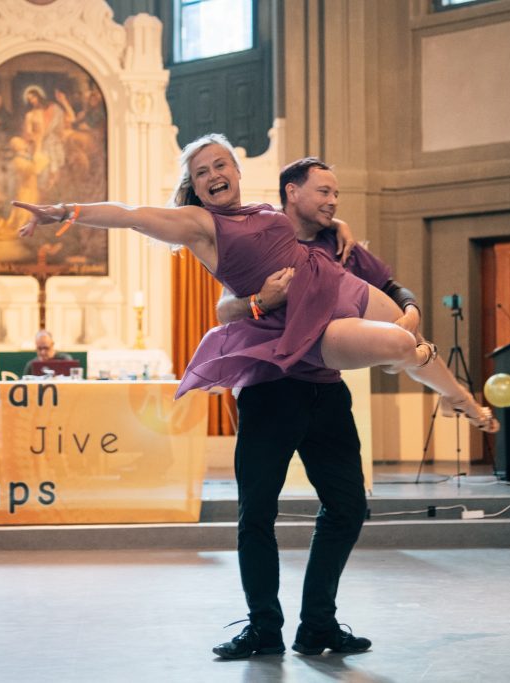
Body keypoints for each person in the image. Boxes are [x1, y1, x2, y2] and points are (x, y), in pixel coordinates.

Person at [202, 158, 493, 659]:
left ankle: (317, 624)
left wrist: (410, 312)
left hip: (326, 393)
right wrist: (260, 300)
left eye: (335, 193)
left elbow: (393, 288)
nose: (333, 201)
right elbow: (225, 307)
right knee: (256, 513)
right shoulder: (263, 235)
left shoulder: (342, 245)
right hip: (270, 392)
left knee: (348, 507)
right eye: (324, 192)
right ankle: (264, 628)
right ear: (292, 192)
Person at [13, 133, 495, 422]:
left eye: (220, 165)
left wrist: (339, 223)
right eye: (202, 173)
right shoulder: (201, 225)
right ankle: (415, 368)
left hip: (337, 283)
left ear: (237, 170)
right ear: (195, 186)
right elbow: (130, 215)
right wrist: (64, 211)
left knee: (416, 340)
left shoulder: (263, 207)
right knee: (401, 345)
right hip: (308, 321)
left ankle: (462, 402)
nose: (213, 175)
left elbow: (299, 223)